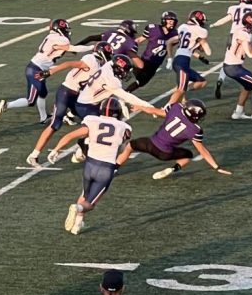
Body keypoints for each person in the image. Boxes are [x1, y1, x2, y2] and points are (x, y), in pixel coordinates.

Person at [50, 98, 134, 235]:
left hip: (89, 165)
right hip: (106, 168)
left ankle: (77, 225)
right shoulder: (125, 127)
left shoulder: (91, 120)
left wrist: (55, 150)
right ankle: (77, 208)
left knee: (85, 193)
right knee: (90, 204)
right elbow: (123, 142)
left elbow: (71, 135)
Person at [0, 19, 93, 123]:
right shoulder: (61, 39)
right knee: (32, 100)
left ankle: (43, 117)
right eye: (65, 30)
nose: (67, 32)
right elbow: (73, 49)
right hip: (36, 70)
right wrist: (91, 47)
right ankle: (8, 105)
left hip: (34, 67)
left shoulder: (51, 37)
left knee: (41, 94)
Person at [26, 44, 108, 168]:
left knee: (93, 120)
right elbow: (69, 63)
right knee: (55, 124)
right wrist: (50, 72)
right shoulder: (91, 59)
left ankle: (83, 144)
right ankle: (33, 155)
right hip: (66, 92)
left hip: (78, 97)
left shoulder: (98, 63)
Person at [119, 99, 231, 180]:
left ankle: (114, 166)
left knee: (130, 146)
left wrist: (140, 107)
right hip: (164, 153)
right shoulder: (195, 129)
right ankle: (172, 169)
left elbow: (155, 111)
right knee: (188, 155)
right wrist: (217, 167)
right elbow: (203, 151)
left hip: (150, 143)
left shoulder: (176, 108)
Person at [167, 10, 212, 105]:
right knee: (180, 90)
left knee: (202, 82)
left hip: (179, 60)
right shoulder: (201, 31)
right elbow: (208, 52)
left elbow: (183, 45)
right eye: (203, 21)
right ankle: (167, 108)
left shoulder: (182, 27)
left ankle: (181, 95)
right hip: (182, 62)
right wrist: (202, 43)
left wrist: (170, 59)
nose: (203, 23)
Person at [127, 12, 180, 92]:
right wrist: (126, 46)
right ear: (163, 20)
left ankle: (126, 92)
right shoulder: (153, 29)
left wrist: (170, 58)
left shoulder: (175, 34)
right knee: (133, 74)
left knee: (142, 82)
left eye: (173, 21)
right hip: (145, 60)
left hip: (156, 64)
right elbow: (140, 39)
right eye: (169, 20)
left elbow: (170, 46)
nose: (171, 23)